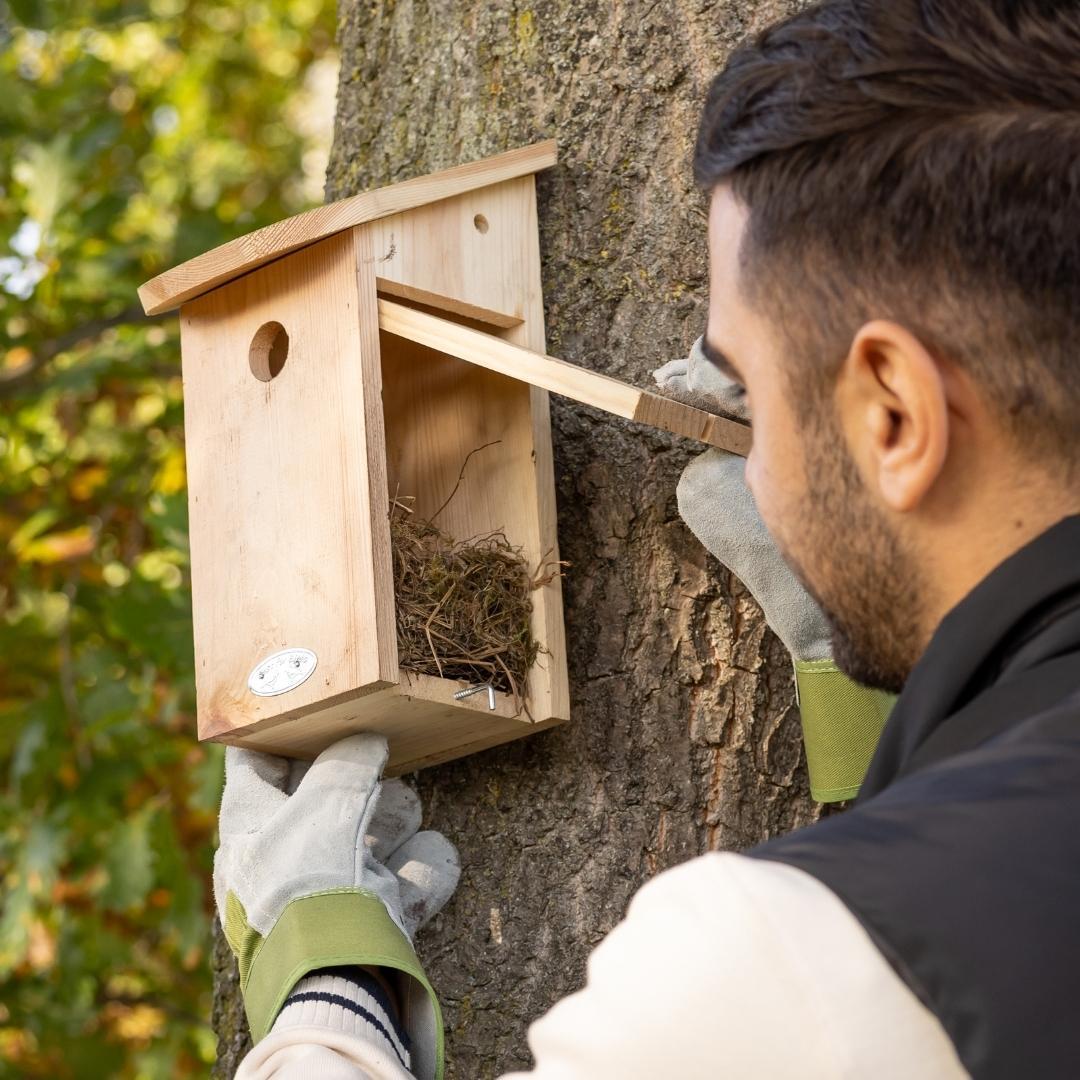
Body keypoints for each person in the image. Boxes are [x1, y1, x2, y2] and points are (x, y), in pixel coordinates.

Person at [217, 1, 1080, 1076]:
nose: (740, 453)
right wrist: (872, 685)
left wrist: (324, 965)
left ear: (893, 415)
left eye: (752, 390)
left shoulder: (794, 969)